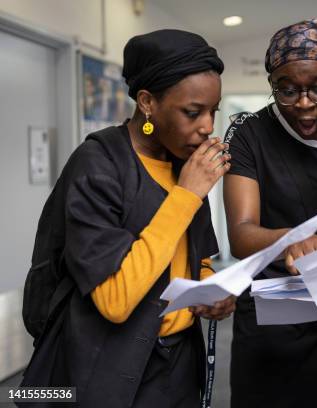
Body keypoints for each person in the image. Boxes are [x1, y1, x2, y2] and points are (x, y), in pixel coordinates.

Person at [20, 29, 234, 407]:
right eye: (193, 111)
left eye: (212, 111)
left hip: (179, 363)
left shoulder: (183, 160)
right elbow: (116, 302)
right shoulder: (98, 164)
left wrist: (210, 289)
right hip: (107, 368)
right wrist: (186, 195)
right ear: (147, 102)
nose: (207, 127)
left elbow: (194, 258)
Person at [223, 19, 317, 408]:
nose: (303, 103)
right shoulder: (250, 133)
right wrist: (290, 240)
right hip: (269, 306)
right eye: (287, 90)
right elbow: (241, 233)